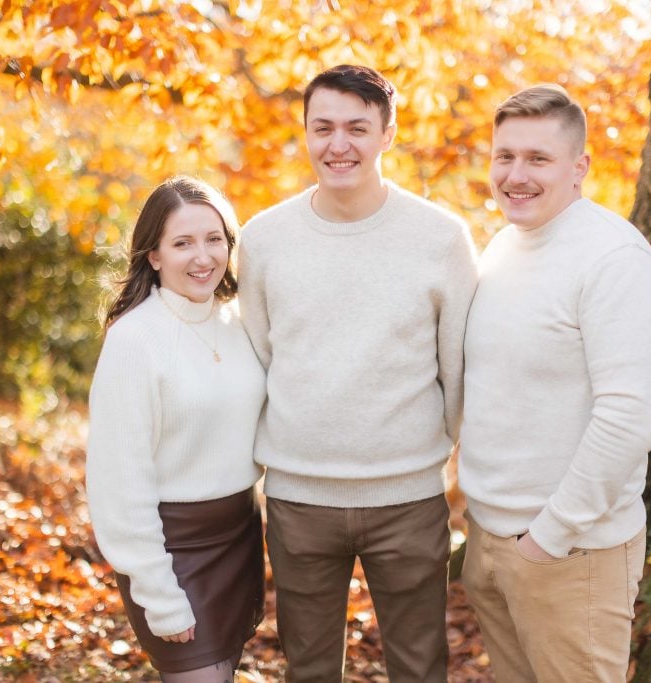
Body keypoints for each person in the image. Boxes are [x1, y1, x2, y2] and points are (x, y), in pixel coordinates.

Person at [238, 64, 479, 682]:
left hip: (408, 498)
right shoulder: (263, 239)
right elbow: (259, 360)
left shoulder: (442, 237)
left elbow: (457, 369)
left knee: (420, 667)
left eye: (356, 128)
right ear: (306, 133)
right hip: (298, 499)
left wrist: (432, 458)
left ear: (387, 135)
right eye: (323, 128)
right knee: (310, 669)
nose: (337, 144)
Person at [458, 84, 651, 682]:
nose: (515, 174)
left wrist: (548, 537)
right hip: (492, 538)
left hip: (570, 550)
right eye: (505, 156)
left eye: (538, 159)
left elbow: (628, 419)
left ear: (579, 168)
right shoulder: (503, 245)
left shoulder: (614, 260)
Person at [85, 176, 266, 683]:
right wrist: (158, 594)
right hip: (173, 549)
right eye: (182, 243)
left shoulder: (239, 323)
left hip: (239, 535)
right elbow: (119, 481)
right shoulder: (135, 340)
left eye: (214, 240)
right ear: (154, 255)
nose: (202, 257)